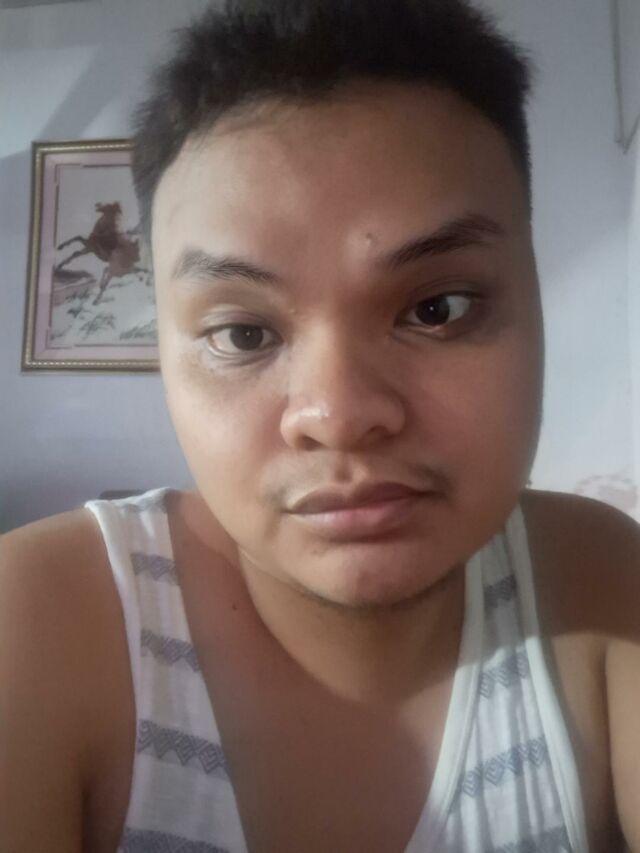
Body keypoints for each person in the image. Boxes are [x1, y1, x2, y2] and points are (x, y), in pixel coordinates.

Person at [1, 0, 639, 850]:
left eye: (438, 308)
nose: (338, 417)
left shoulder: (600, 583)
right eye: (243, 334)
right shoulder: (38, 622)